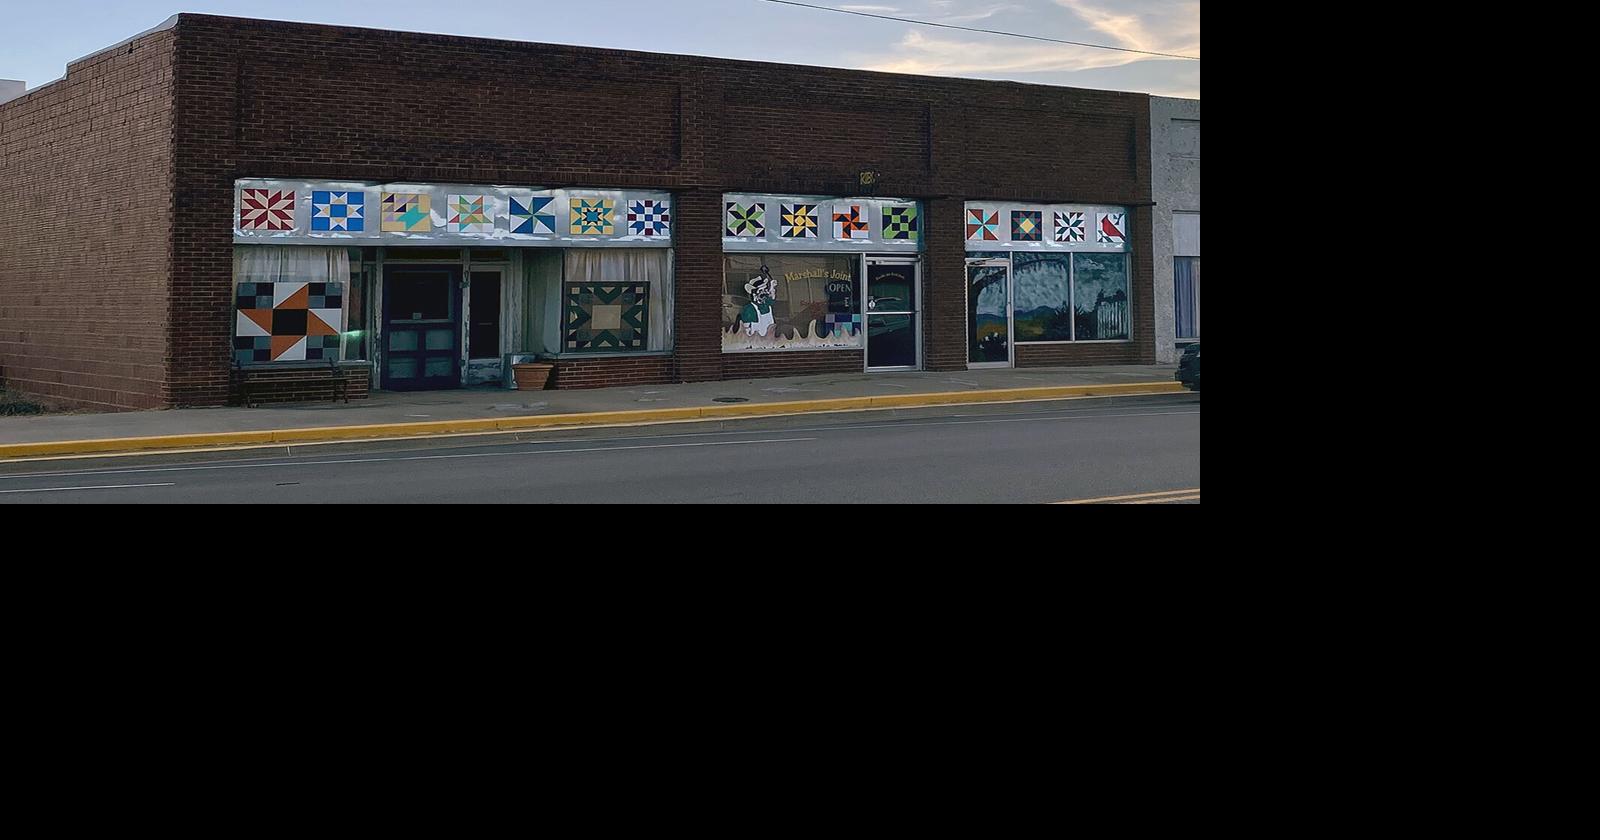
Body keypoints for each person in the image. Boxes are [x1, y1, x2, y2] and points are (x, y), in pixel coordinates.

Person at [739, 263, 778, 337]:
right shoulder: (749, 309)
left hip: (769, 345)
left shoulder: (767, 305)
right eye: (761, 290)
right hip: (755, 346)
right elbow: (746, 332)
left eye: (765, 290)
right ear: (754, 294)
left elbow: (772, 297)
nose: (764, 293)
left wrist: (772, 287)